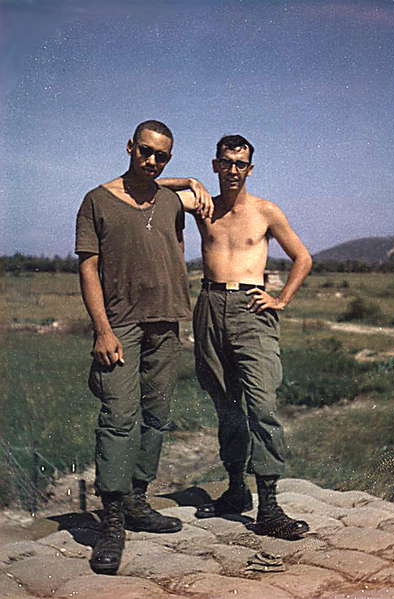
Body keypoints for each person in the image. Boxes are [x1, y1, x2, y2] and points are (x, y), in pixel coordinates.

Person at [75, 120, 213, 575]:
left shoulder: (172, 200)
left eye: (162, 157)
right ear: (130, 146)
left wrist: (190, 180)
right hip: (121, 324)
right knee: (118, 417)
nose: (152, 161)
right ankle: (111, 520)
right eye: (145, 152)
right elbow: (88, 269)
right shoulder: (96, 201)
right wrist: (102, 330)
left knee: (155, 415)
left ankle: (136, 500)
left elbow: (187, 190)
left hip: (167, 321)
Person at [163, 135, 312, 540]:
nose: (233, 170)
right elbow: (147, 185)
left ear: (250, 169)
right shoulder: (203, 205)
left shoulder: (265, 211)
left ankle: (269, 506)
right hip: (210, 305)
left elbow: (303, 257)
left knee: (262, 405)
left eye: (240, 164)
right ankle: (234, 490)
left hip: (251, 309)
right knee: (226, 405)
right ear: (216, 165)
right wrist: (188, 181)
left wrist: (281, 298)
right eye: (226, 163)